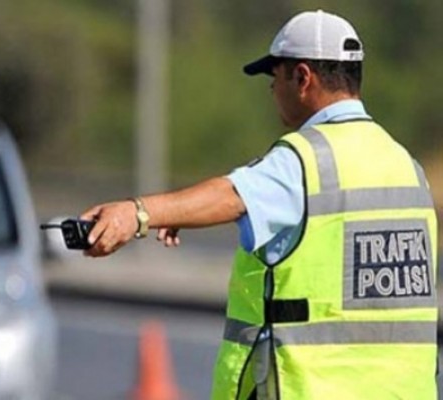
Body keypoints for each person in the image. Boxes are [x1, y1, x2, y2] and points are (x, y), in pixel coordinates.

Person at [80, 10, 438, 400]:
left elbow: (231, 196)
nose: (271, 90)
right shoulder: (407, 167)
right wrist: (184, 213)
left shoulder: (305, 160)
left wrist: (136, 213)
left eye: (275, 76)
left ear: (302, 77)